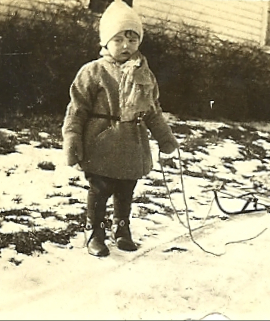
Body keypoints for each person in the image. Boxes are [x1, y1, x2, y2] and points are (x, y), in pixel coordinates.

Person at [62, 0, 179, 257]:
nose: (126, 46)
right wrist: (72, 139)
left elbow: (152, 110)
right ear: (106, 42)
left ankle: (122, 230)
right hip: (100, 142)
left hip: (132, 144)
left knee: (126, 190)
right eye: (118, 39)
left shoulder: (144, 75)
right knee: (100, 190)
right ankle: (96, 232)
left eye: (132, 39)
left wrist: (165, 138)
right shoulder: (93, 72)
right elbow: (77, 110)